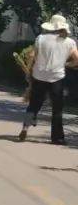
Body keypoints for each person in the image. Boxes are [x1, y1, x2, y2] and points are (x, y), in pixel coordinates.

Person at [18, 13, 78, 146]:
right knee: (57, 108)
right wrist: (66, 64)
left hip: (39, 76)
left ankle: (25, 128)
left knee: (33, 105)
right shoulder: (69, 42)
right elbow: (77, 60)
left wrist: (30, 70)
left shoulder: (40, 38)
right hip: (57, 77)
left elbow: (32, 55)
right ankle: (57, 138)